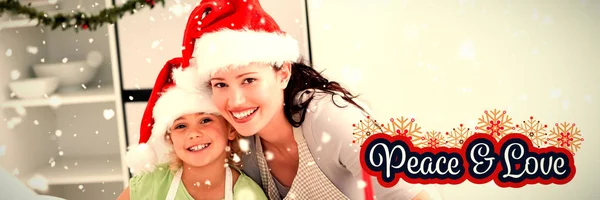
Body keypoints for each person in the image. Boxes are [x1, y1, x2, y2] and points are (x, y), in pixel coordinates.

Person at [179, 0, 443, 199]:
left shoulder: (331, 118)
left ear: (282, 73)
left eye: (249, 80)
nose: (235, 101)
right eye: (220, 84)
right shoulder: (240, 142)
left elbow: (409, 195)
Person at [117, 57, 267, 200]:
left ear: (231, 130)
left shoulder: (248, 194)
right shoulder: (148, 185)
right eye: (181, 126)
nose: (194, 133)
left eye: (205, 120)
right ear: (170, 138)